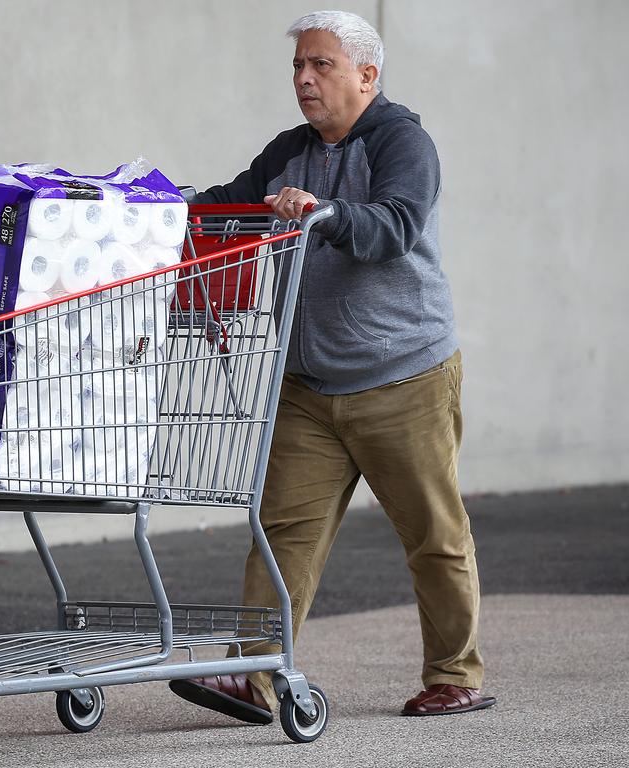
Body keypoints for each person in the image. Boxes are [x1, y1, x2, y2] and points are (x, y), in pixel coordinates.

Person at [169, 10, 495, 720]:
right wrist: (151, 210)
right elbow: (226, 204)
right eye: (297, 67)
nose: (305, 79)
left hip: (402, 376)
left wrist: (328, 211)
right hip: (309, 386)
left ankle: (454, 673)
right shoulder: (289, 151)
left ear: (367, 76)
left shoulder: (403, 142)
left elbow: (396, 225)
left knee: (433, 534)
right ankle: (254, 674)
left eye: (321, 66)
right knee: (282, 530)